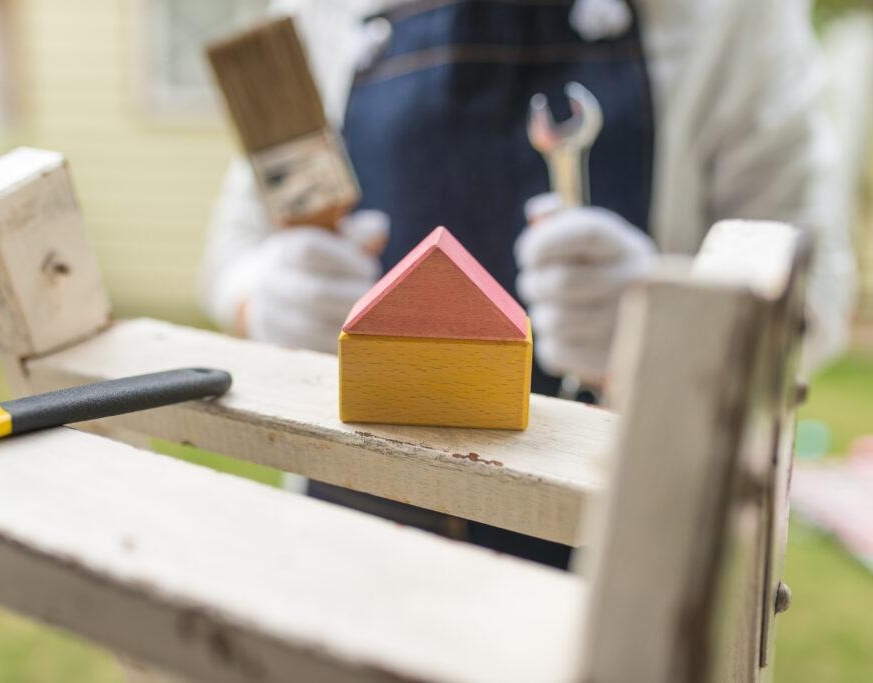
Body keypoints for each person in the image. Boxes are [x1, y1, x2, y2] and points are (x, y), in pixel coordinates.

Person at [199, 0, 855, 567]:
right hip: (345, 534)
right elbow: (233, 252)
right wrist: (271, 294)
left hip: (618, 553)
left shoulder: (735, 16)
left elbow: (816, 291)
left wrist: (674, 330)